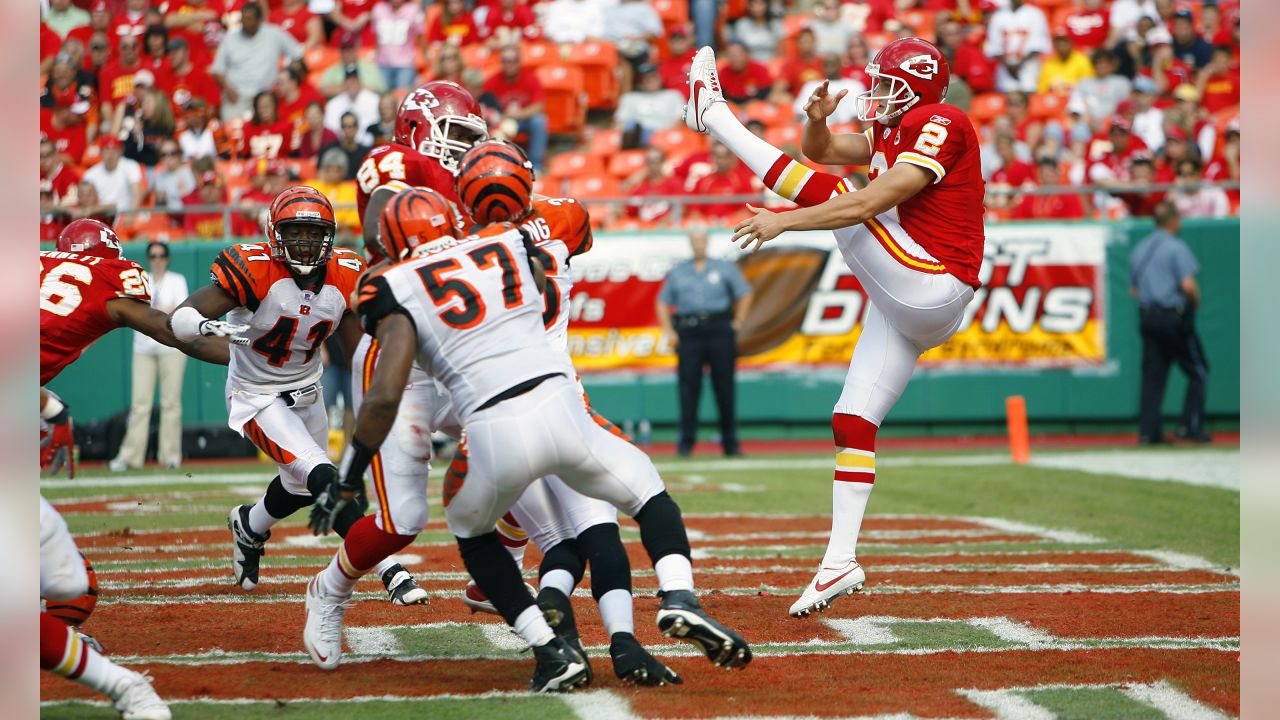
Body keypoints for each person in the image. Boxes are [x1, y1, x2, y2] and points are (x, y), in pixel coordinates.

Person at [328, 182, 751, 690]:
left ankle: (549, 649)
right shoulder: (508, 241)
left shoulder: (390, 285)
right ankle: (678, 595)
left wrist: (349, 476)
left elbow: (382, 397)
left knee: (470, 526)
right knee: (644, 494)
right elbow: (544, 289)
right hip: (563, 404)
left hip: (490, 428)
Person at [685, 38, 984, 617]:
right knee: (852, 421)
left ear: (917, 86)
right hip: (906, 297)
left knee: (848, 198)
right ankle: (839, 562)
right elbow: (823, 150)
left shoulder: (941, 120)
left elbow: (865, 202)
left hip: (933, 281)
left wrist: (786, 221)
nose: (876, 94)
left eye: (887, 84)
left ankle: (715, 116)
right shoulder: (897, 127)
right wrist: (814, 122)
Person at [167, 186, 427, 604]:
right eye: (295, 232)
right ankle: (391, 570)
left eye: (314, 232)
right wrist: (201, 329)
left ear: (329, 235)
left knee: (301, 485)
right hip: (257, 396)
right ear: (275, 233)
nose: (305, 242)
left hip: (309, 389)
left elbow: (355, 349)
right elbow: (183, 318)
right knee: (325, 476)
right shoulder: (253, 269)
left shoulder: (346, 272)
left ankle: (249, 525)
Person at [656, 226, 752, 457]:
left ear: (707, 243)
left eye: (702, 241)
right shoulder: (680, 271)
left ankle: (730, 444)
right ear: (691, 243)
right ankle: (685, 444)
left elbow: (745, 292)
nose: (699, 245)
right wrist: (669, 331)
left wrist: (738, 321)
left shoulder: (723, 267)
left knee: (724, 387)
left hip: (719, 329)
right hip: (689, 331)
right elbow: (662, 301)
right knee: (688, 388)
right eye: (695, 241)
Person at [1129, 202, 1210, 444]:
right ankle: (1189, 426)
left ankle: (1148, 432)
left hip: (1147, 316)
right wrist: (1193, 305)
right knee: (1199, 370)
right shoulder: (1176, 247)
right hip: (1172, 316)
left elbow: (1133, 289)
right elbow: (1188, 285)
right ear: (1173, 220)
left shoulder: (1139, 249)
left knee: (1153, 376)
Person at [110, 242, 191, 471]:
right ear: (148, 258)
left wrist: (156, 311)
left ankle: (171, 456)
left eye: (162, 255)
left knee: (171, 403)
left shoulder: (177, 280)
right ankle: (129, 456)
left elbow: (179, 311)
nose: (157, 259)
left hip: (171, 348)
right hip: (143, 347)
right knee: (140, 404)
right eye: (153, 256)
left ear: (167, 258)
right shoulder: (140, 278)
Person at [210, 1, 304, 121]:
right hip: (238, 96)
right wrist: (228, 88)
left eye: (249, 19)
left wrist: (286, 77)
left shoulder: (274, 34)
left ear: (259, 20)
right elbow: (217, 70)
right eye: (243, 18)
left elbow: (298, 55)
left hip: (267, 95)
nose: (244, 22)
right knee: (231, 129)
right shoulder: (230, 37)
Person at [483, 47, 548, 172]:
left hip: (524, 120)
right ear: (502, 63)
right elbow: (485, 104)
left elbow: (539, 105)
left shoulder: (530, 78)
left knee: (539, 121)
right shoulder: (492, 81)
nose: (510, 64)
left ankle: (536, 166)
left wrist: (519, 114)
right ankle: (497, 166)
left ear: (519, 62)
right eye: (507, 61)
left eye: (514, 60)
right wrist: (500, 117)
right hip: (501, 121)